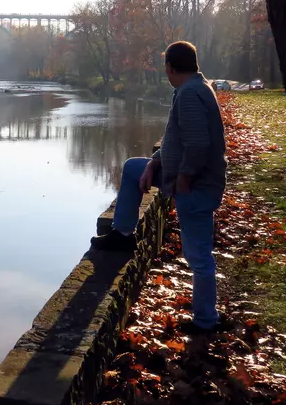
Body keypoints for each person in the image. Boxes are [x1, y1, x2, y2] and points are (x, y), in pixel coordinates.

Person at [90, 41, 227, 332]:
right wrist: (154, 162)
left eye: (164, 66)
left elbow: (199, 144)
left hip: (196, 185)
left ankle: (206, 321)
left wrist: (184, 179)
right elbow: (176, 138)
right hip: (180, 173)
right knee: (132, 168)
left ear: (169, 67)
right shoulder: (193, 88)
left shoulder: (190, 95)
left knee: (198, 255)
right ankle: (123, 234)